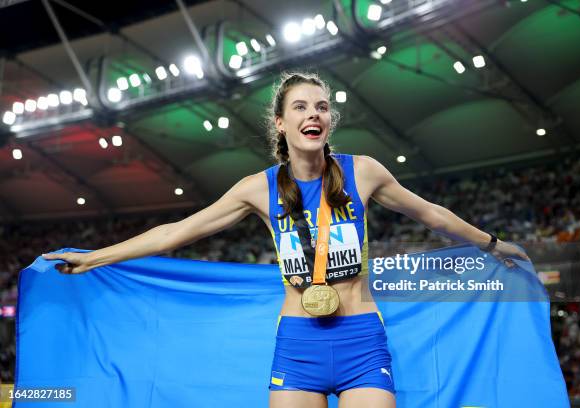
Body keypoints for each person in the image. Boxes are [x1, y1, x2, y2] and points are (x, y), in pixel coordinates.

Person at [42, 72, 529, 408]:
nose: (313, 113)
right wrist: (95, 259)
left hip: (362, 340)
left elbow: (430, 214)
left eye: (322, 107)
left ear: (328, 123)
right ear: (281, 123)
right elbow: (178, 231)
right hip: (297, 346)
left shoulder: (363, 172)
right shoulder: (258, 188)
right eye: (300, 107)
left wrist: (491, 243)